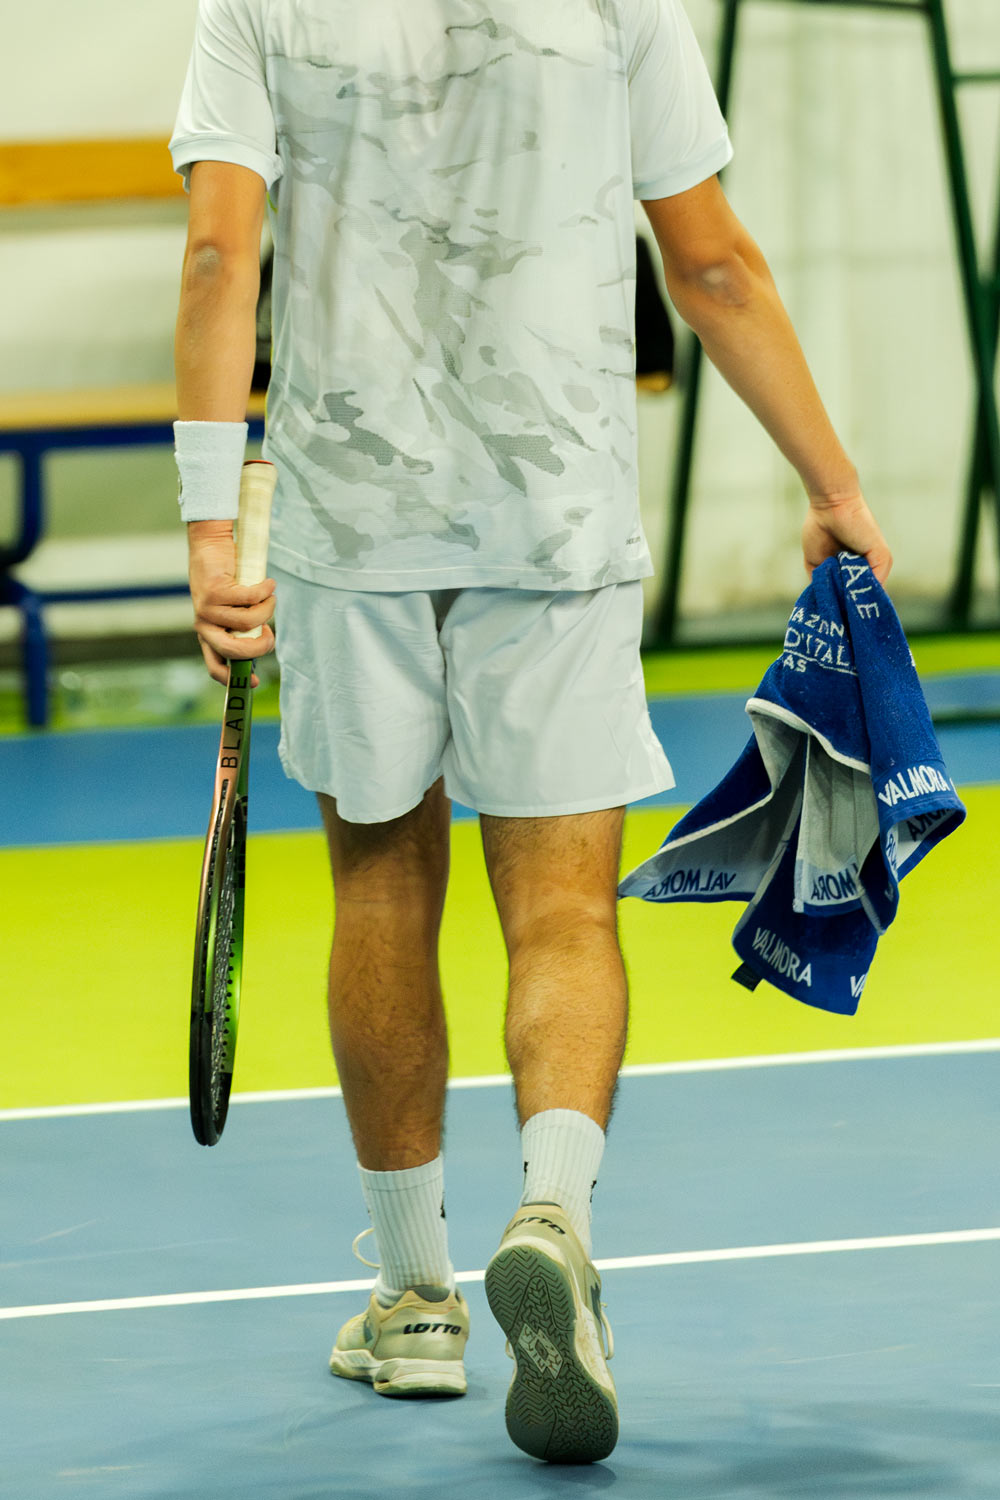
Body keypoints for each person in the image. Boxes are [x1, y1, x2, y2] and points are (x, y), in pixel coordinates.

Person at [170, 0, 891, 1466]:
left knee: (383, 890)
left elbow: (217, 256)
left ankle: (414, 1301)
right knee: (563, 913)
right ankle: (552, 1214)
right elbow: (710, 262)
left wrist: (203, 526)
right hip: (554, 513)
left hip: (351, 525)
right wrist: (831, 484)